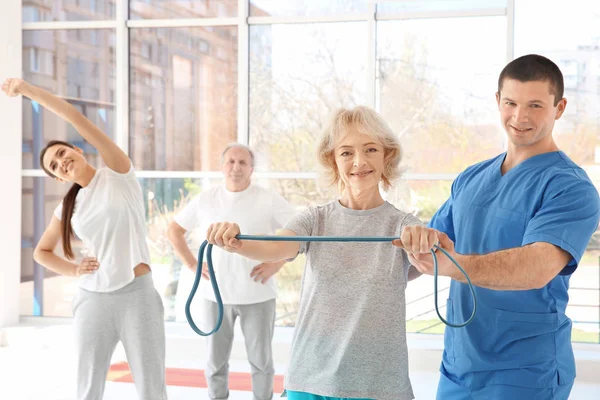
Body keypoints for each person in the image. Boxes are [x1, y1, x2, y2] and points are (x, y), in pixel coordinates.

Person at [401, 54, 600, 399]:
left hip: (524, 373)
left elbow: (537, 267)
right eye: (510, 102)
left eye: (535, 105)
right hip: (459, 366)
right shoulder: (470, 178)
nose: (520, 117)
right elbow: (427, 253)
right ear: (497, 102)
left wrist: (455, 266)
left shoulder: (570, 187)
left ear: (560, 107)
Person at [206, 106, 424, 400]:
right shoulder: (314, 219)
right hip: (309, 380)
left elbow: (432, 264)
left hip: (380, 385)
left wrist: (426, 242)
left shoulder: (405, 226)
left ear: (387, 156)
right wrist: (237, 243)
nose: (359, 161)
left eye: (370, 149)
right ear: (332, 160)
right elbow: (275, 248)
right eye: (346, 152)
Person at [2, 78, 168, 400]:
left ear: (77, 150)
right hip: (93, 300)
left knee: (152, 388)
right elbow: (41, 252)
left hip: (138, 297)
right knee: (87, 388)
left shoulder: (119, 174)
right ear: (57, 177)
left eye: (63, 152)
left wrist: (25, 89)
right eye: (54, 166)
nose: (61, 161)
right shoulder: (69, 207)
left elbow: (76, 119)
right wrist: (74, 269)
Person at [167, 143, 296, 400]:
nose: (236, 168)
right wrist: (192, 265)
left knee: (261, 363)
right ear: (222, 166)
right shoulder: (206, 199)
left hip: (257, 295)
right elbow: (174, 230)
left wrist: (277, 263)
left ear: (252, 168)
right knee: (215, 363)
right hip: (215, 296)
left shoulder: (267, 199)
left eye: (242, 163)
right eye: (231, 162)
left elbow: (299, 234)